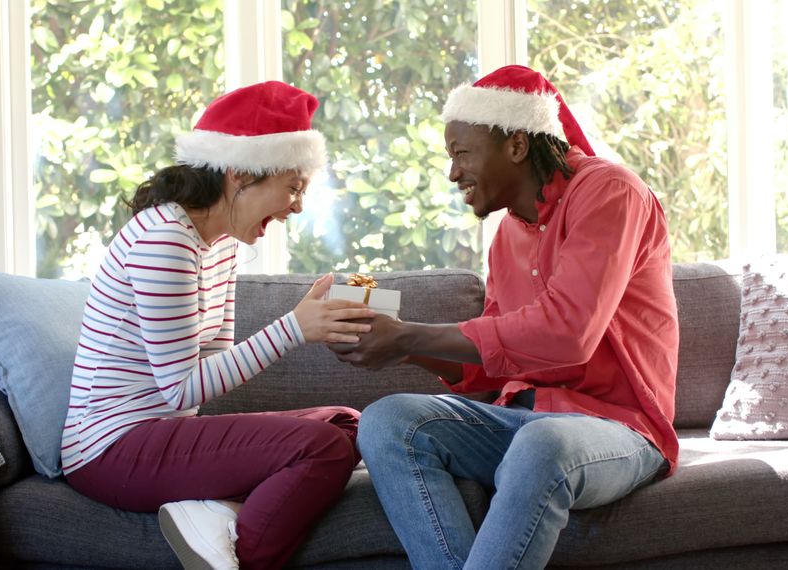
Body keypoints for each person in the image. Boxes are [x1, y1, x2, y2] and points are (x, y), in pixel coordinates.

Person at [330, 65, 680, 569]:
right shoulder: (506, 240)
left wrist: (409, 334)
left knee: (543, 441)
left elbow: (568, 334)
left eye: (461, 153)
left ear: (516, 145)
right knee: (388, 421)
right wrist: (397, 342)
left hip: (619, 430)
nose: (453, 173)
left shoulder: (610, 192)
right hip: (525, 420)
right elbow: (491, 367)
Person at [61, 81, 376, 570]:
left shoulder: (222, 244)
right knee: (322, 450)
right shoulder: (165, 239)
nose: (297, 206)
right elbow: (181, 390)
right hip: (110, 450)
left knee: (350, 424)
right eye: (292, 187)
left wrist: (315, 324)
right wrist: (294, 327)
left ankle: (214, 511)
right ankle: (241, 554)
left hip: (164, 433)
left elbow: (211, 364)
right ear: (240, 173)